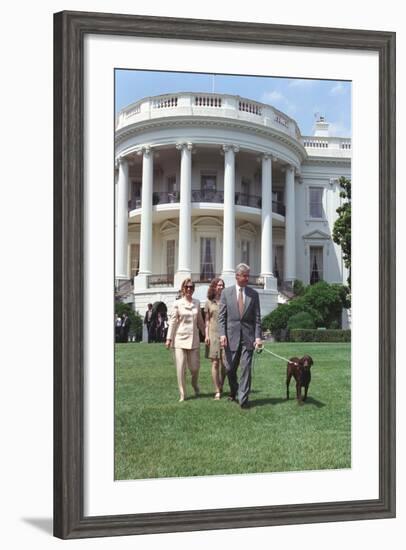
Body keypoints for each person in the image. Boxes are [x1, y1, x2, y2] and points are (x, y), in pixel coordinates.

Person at [218, 263, 262, 409]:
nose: (248, 278)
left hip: (248, 338)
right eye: (245, 276)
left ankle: (243, 398)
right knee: (230, 369)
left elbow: (257, 318)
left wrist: (257, 337)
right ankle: (235, 389)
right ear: (237, 276)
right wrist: (222, 334)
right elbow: (222, 317)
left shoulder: (254, 294)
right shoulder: (226, 293)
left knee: (246, 368)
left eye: (248, 275)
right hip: (230, 338)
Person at [165, 278, 205, 402]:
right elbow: (172, 322)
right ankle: (182, 393)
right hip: (179, 339)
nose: (189, 289)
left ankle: (194, 384)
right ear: (183, 289)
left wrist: (206, 334)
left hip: (194, 340)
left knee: (194, 368)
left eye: (191, 287)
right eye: (187, 287)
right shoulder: (177, 303)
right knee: (181, 368)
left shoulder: (197, 303)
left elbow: (200, 321)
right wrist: (169, 338)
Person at [204, 278, 226, 400]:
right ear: (214, 287)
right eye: (219, 285)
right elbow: (207, 320)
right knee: (215, 362)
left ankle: (221, 384)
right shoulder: (209, 302)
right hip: (212, 334)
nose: (221, 287)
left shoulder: (226, 300)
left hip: (225, 335)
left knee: (226, 364)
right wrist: (206, 335)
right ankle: (217, 390)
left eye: (222, 285)